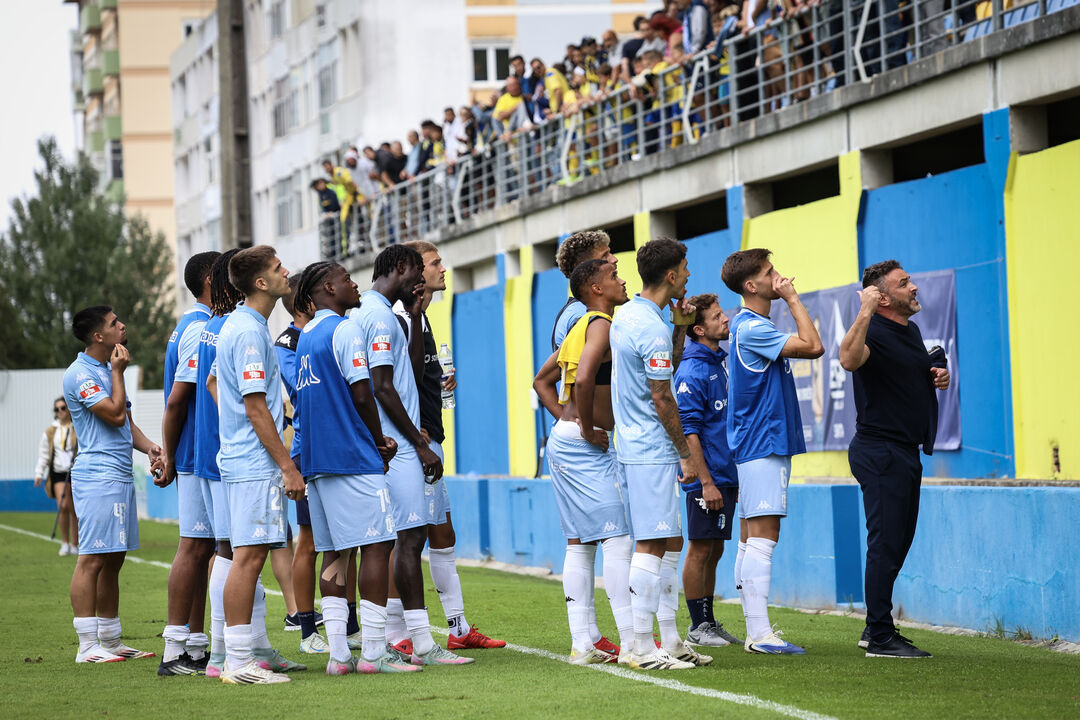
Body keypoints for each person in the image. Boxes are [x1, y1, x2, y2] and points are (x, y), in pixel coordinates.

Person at [292, 261, 419, 675]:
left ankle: (338, 656)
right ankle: (374, 653)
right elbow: (363, 394)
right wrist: (378, 439)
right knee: (378, 545)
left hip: (318, 461)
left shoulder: (306, 335)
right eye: (347, 279)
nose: (354, 283)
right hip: (351, 456)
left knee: (334, 552)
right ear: (328, 288)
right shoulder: (345, 330)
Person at [351, 245, 471, 666]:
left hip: (390, 442)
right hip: (397, 446)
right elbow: (380, 387)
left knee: (398, 540)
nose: (421, 279)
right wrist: (417, 444)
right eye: (418, 270)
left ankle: (387, 641)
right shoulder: (381, 315)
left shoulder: (377, 313)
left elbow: (403, 375)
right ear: (401, 268)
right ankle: (414, 641)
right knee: (407, 539)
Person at [394, 241, 506, 651]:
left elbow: (412, 377)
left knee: (442, 533)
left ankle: (458, 630)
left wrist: (439, 382)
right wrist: (413, 432)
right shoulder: (399, 316)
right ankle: (398, 634)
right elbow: (385, 384)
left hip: (429, 440)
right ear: (412, 270)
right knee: (408, 538)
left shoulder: (420, 317)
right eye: (435, 262)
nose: (444, 268)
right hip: (416, 443)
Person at [198, 250, 302, 679]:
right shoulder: (246, 332)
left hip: (248, 462)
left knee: (249, 556)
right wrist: (287, 465)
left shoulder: (248, 326)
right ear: (260, 283)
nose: (286, 272)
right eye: (278, 268)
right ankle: (238, 662)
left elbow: (220, 387)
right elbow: (257, 408)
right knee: (247, 558)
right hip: (254, 465)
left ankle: (242, 656)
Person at [839, 260, 949, 659]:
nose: (915, 287)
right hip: (879, 450)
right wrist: (864, 311)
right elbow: (849, 360)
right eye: (905, 284)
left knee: (898, 544)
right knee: (885, 545)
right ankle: (882, 637)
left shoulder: (911, 330)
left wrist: (936, 374)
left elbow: (908, 373)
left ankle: (874, 628)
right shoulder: (872, 329)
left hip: (905, 451)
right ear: (882, 296)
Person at [609, 238, 711, 670]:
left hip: (638, 446)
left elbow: (662, 368)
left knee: (669, 540)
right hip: (651, 449)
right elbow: (663, 398)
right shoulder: (647, 326)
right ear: (670, 275)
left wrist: (682, 326)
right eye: (685, 268)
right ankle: (638, 648)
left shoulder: (633, 315)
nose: (689, 274)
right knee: (650, 544)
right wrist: (685, 453)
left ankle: (668, 638)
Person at [721, 247, 824, 654]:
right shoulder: (752, 328)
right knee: (764, 535)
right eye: (770, 273)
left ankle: (756, 629)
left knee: (751, 536)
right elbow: (813, 346)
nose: (779, 278)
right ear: (752, 286)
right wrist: (795, 300)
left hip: (756, 441)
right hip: (762, 441)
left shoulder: (750, 325)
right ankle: (760, 634)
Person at [533, 259, 635, 664]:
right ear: (595, 288)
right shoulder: (599, 324)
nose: (621, 279)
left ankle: (582, 644)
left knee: (580, 541)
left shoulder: (579, 325)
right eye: (613, 276)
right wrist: (588, 427)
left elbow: (541, 380)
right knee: (619, 537)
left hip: (566, 442)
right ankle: (632, 643)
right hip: (584, 445)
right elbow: (588, 376)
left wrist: (567, 421)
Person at [63, 305, 163, 663]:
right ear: (98, 337)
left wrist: (152, 447)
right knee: (91, 558)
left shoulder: (107, 370)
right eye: (114, 323)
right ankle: (87, 646)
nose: (122, 326)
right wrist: (119, 372)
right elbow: (115, 412)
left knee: (113, 559)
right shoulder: (80, 374)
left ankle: (110, 639)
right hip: (97, 477)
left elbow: (127, 425)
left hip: (119, 475)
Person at [157, 251, 219, 675]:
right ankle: (174, 650)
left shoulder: (190, 326)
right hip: (196, 456)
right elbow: (177, 400)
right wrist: (171, 455)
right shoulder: (198, 329)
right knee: (193, 546)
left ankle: (195, 647)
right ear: (213, 280)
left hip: (196, 453)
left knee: (203, 550)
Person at [671, 293, 743, 648]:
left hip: (724, 475)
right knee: (700, 549)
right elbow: (690, 431)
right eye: (717, 317)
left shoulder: (719, 363)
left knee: (714, 550)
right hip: (707, 478)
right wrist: (706, 481)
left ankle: (708, 623)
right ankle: (697, 627)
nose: (725, 320)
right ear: (699, 329)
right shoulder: (694, 369)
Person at [274, 275, 329, 652]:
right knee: (307, 540)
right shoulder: (288, 343)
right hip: (306, 447)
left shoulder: (329, 331)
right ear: (306, 302)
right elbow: (306, 387)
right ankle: (305, 625)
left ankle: (348, 622)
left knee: (343, 542)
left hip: (336, 445)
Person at [34, 397, 78, 556]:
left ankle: (75, 544)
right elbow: (44, 454)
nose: (60, 411)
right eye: (57, 409)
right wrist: (39, 473)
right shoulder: (50, 431)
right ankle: (65, 543)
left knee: (75, 509)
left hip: (76, 471)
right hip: (58, 472)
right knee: (63, 505)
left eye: (63, 408)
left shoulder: (78, 427)